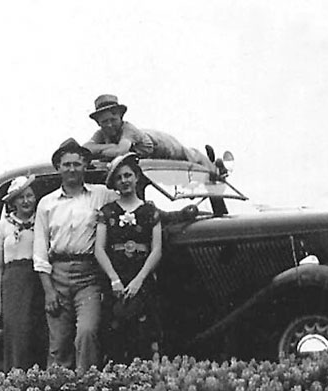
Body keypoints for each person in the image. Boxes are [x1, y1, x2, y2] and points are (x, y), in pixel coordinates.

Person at [33, 138, 118, 373]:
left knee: (87, 332)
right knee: (59, 341)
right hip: (57, 275)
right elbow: (40, 251)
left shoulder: (100, 195)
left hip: (88, 276)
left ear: (85, 166)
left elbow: (130, 201)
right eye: (67, 164)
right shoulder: (46, 203)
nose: (72, 169)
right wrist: (49, 290)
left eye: (77, 164)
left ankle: (86, 385)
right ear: (59, 167)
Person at [94, 153, 163, 363]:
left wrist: (139, 280)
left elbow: (156, 249)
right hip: (116, 280)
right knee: (114, 335)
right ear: (114, 183)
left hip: (141, 279)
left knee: (143, 334)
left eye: (128, 175)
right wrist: (114, 279)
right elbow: (99, 248)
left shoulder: (150, 211)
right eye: (119, 178)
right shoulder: (107, 212)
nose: (124, 181)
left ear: (136, 177)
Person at [0, 175, 46, 371]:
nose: (26, 201)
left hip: (37, 279)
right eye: (21, 197)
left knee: (38, 332)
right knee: (16, 333)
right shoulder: (2, 226)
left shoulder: (41, 222)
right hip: (13, 282)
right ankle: (16, 381)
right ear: (13, 201)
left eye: (30, 196)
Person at [82, 94, 214, 169]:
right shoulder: (101, 134)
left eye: (113, 119)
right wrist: (110, 146)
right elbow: (85, 149)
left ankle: (216, 167)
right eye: (104, 122)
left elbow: (120, 151)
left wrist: (104, 149)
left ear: (121, 117)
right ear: (99, 123)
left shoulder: (129, 130)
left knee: (191, 156)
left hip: (161, 144)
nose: (109, 125)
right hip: (146, 158)